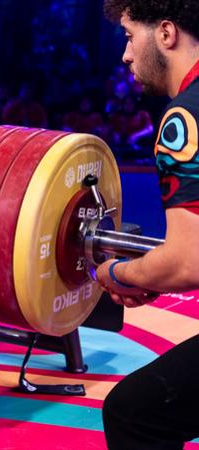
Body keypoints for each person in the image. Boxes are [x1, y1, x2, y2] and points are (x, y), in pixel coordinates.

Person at [99, 1, 199, 448]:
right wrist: (154, 270)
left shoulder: (183, 119)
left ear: (164, 33)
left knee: (133, 414)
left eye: (128, 35)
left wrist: (118, 273)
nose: (125, 54)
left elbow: (186, 263)